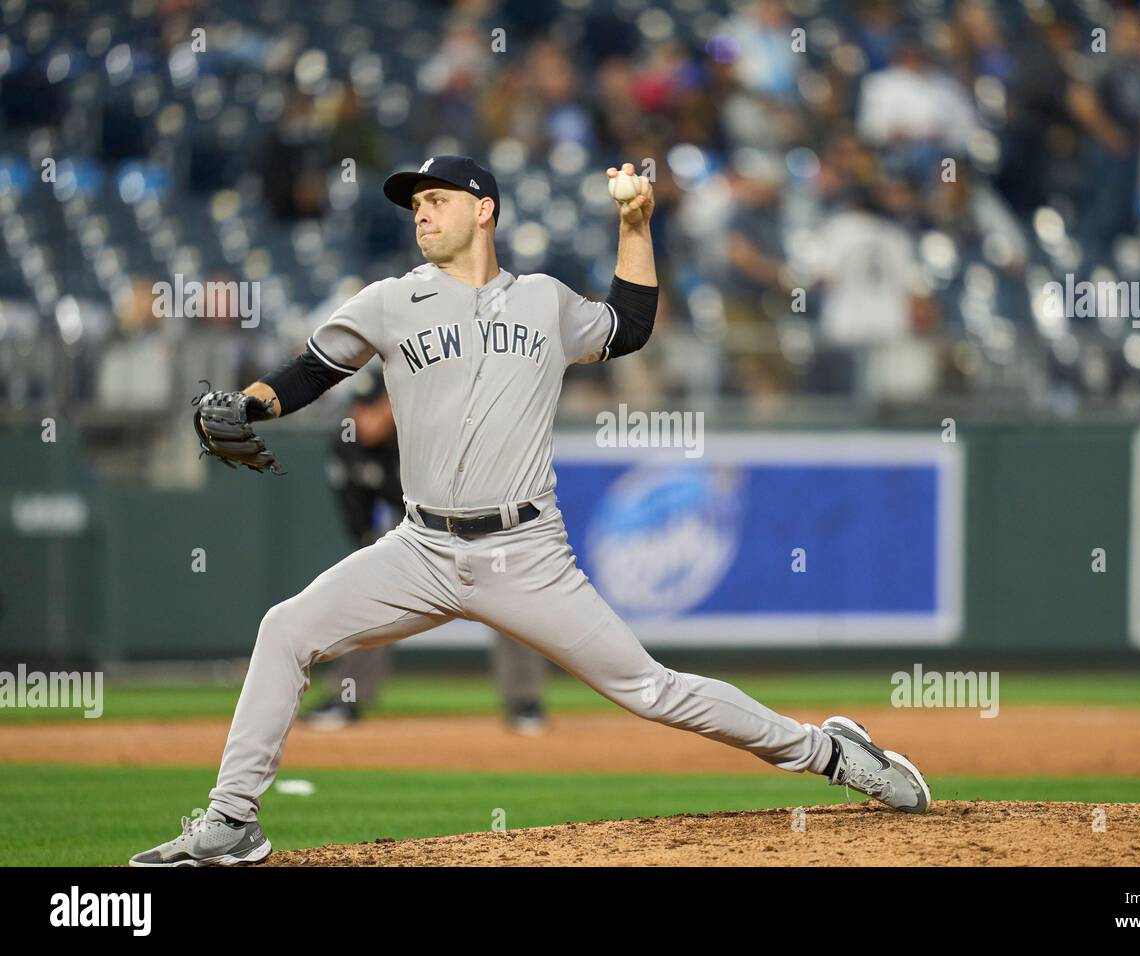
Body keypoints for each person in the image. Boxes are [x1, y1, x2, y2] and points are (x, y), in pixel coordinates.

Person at [129, 155, 930, 867]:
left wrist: (636, 223)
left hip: (526, 553)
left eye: (435, 199)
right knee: (285, 630)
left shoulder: (544, 301)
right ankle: (234, 820)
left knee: (651, 691)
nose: (420, 213)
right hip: (420, 547)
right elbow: (309, 370)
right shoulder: (388, 301)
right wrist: (246, 405)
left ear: (484, 209)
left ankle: (830, 754)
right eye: (413, 204)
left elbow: (631, 326)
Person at [301, 367, 550, 734]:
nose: (363, 417)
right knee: (369, 598)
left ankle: (525, 702)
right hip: (414, 530)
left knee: (510, 596)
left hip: (472, 519)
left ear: (397, 404)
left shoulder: (431, 432)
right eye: (360, 406)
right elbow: (358, 519)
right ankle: (345, 700)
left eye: (375, 407)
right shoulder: (347, 442)